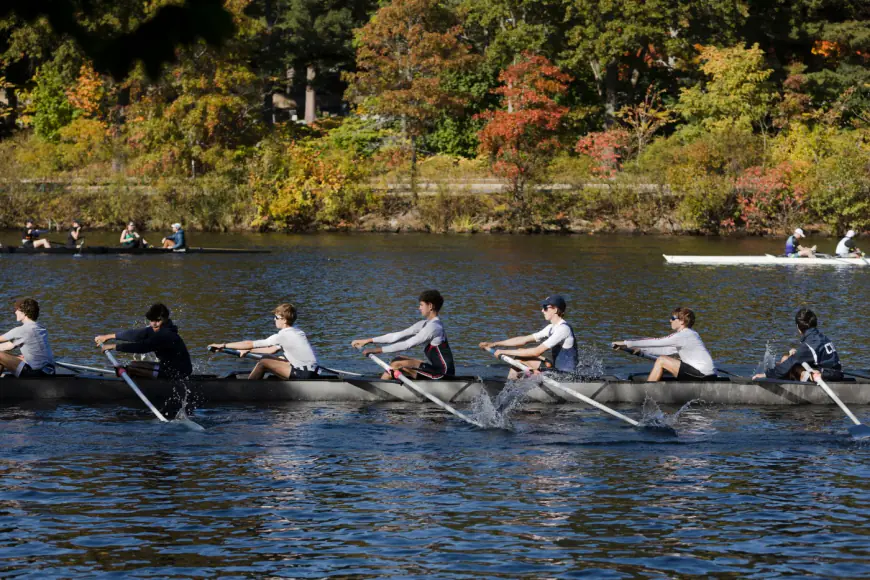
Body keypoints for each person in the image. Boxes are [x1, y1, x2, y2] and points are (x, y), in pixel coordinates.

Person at [351, 290, 455, 380]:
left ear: (430, 306)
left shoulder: (434, 327)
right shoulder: (424, 324)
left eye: (421, 305)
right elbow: (396, 336)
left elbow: (407, 344)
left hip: (442, 375)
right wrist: (368, 341)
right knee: (398, 359)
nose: (419, 308)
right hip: (436, 370)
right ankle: (390, 382)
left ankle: (382, 388)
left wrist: (375, 350)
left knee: (396, 363)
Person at [209, 303, 319, 380]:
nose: (274, 320)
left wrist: (222, 345)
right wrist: (248, 350)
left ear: (284, 320)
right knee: (278, 358)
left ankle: (248, 388)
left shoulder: (283, 335)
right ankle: (272, 383)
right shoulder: (298, 332)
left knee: (264, 361)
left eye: (276, 317)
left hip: (303, 374)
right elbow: (271, 350)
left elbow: (249, 343)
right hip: (313, 372)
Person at [479, 295, 577, 379]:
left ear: (555, 309)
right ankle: (513, 384)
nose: (542, 310)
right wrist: (494, 344)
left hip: (567, 376)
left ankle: (511, 387)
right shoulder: (551, 328)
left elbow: (536, 351)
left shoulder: (563, 329)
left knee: (520, 358)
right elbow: (523, 340)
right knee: (521, 353)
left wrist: (503, 351)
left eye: (545, 307)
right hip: (556, 369)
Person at [612, 307, 716, 382]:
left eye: (673, 318)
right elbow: (664, 350)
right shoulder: (690, 335)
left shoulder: (683, 336)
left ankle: (646, 393)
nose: (670, 320)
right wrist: (638, 350)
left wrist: (626, 343)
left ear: (682, 321)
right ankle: (654, 385)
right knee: (666, 360)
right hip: (707, 375)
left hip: (702, 375)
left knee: (662, 360)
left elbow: (656, 341)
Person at [94, 303, 192, 381]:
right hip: (168, 367)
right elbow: (135, 335)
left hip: (177, 373)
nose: (154, 324)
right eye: (151, 320)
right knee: (134, 364)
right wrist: (108, 336)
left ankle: (127, 376)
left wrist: (114, 347)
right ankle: (128, 374)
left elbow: (142, 347)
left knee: (132, 368)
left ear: (165, 319)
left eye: (157, 320)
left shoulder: (165, 335)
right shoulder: (158, 329)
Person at [752, 308, 843, 382]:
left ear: (798, 327)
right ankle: (800, 376)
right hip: (834, 372)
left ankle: (799, 379)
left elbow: (790, 362)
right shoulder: (821, 337)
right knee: (785, 359)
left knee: (788, 364)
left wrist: (766, 375)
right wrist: (797, 354)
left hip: (827, 376)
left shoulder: (809, 345)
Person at [0, 298, 55, 377]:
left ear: (24, 312)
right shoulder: (41, 328)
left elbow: (6, 346)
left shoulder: (21, 330)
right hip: (50, 371)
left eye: (17, 309)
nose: (15, 312)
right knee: (17, 357)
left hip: (37, 374)